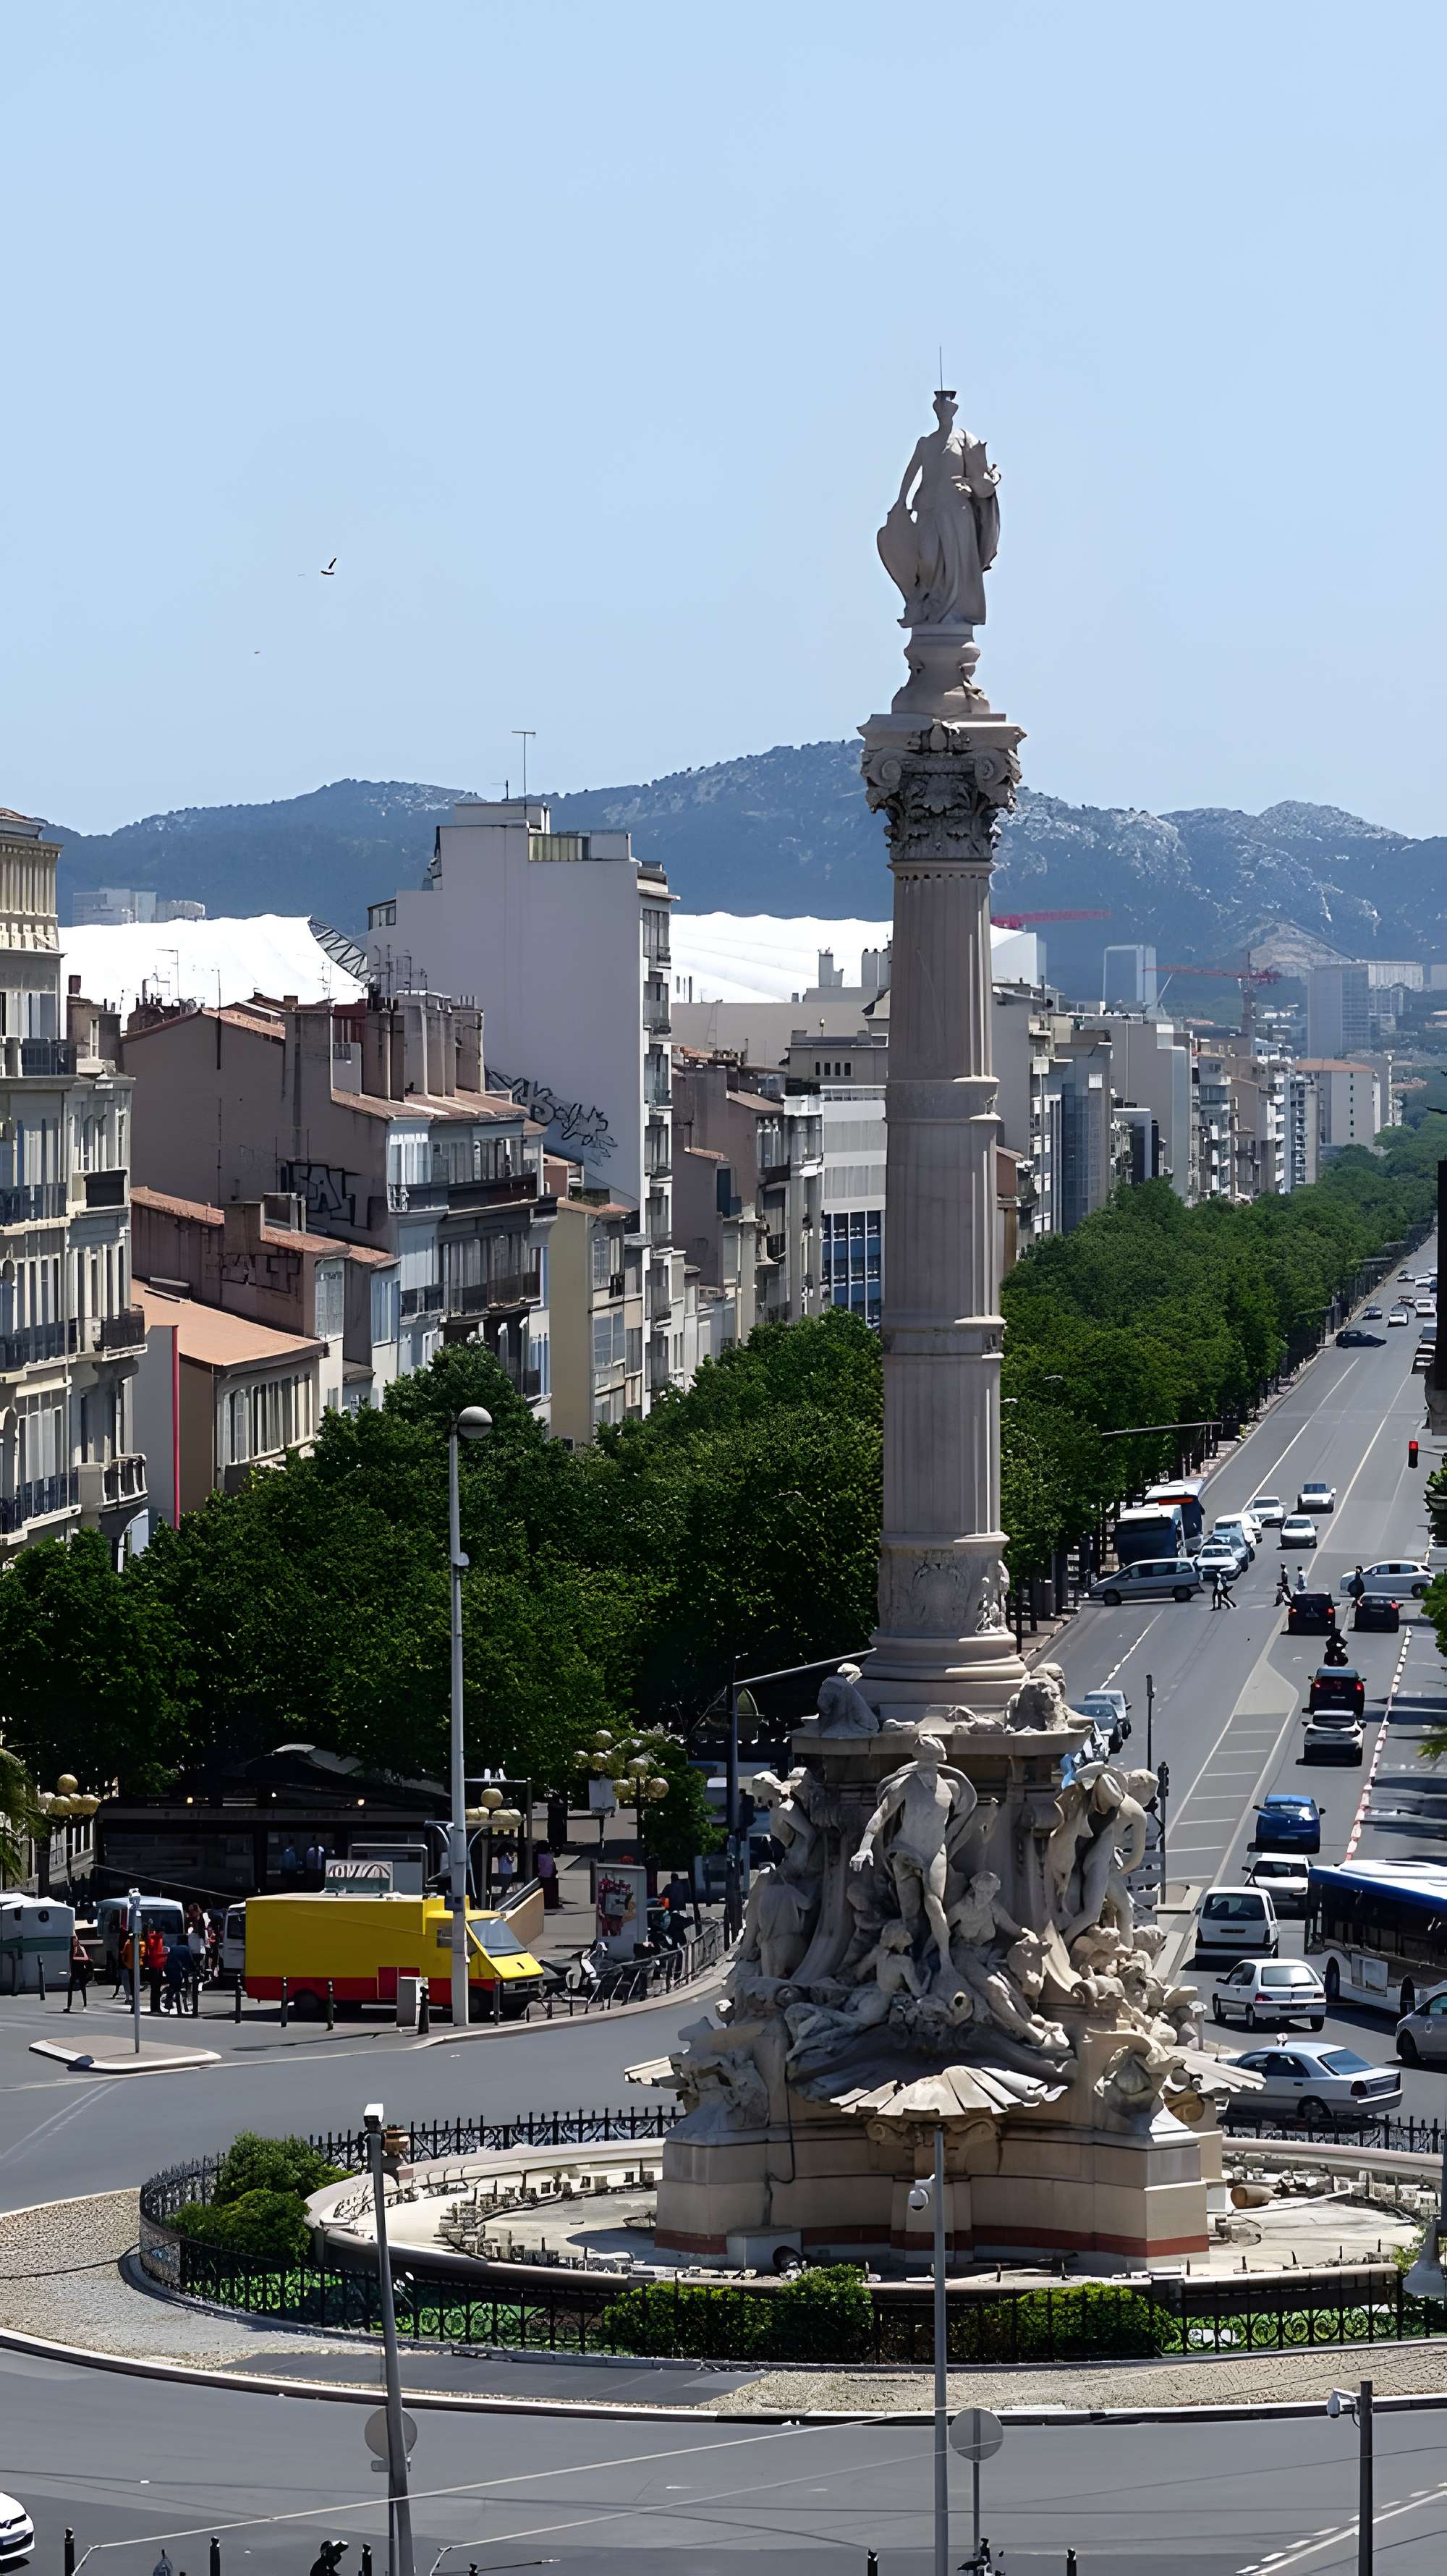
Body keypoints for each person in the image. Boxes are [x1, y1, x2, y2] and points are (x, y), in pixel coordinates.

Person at [143, 1922, 166, 2015]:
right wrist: (165, 1954)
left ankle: (155, 2007)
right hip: (156, 1965)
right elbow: (155, 1953)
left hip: (155, 1965)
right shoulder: (156, 1939)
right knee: (156, 1988)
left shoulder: (152, 1938)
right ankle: (155, 2008)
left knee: (155, 1988)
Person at [65, 1928, 91, 2013]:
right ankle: (82, 2005)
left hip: (79, 1971)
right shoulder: (75, 1949)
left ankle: (83, 2005)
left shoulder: (78, 1949)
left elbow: (83, 1959)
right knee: (77, 1988)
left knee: (78, 1988)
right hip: (77, 1972)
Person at [536, 1842, 560, 1912]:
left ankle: (546, 1904)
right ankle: (552, 1904)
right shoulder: (550, 1856)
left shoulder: (539, 1856)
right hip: (550, 1876)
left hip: (543, 1876)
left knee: (545, 1892)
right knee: (550, 1891)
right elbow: (553, 1866)